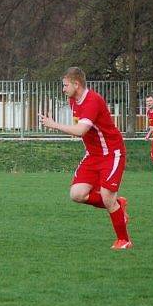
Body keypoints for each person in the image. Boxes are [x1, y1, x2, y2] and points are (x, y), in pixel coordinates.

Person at [39, 67, 132, 250]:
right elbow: (81, 130)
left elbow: (81, 130)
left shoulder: (93, 101)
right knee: (77, 194)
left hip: (111, 153)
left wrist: (54, 125)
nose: (63, 89)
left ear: (77, 84)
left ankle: (124, 240)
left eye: (65, 85)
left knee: (106, 198)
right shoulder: (72, 100)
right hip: (93, 155)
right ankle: (118, 204)